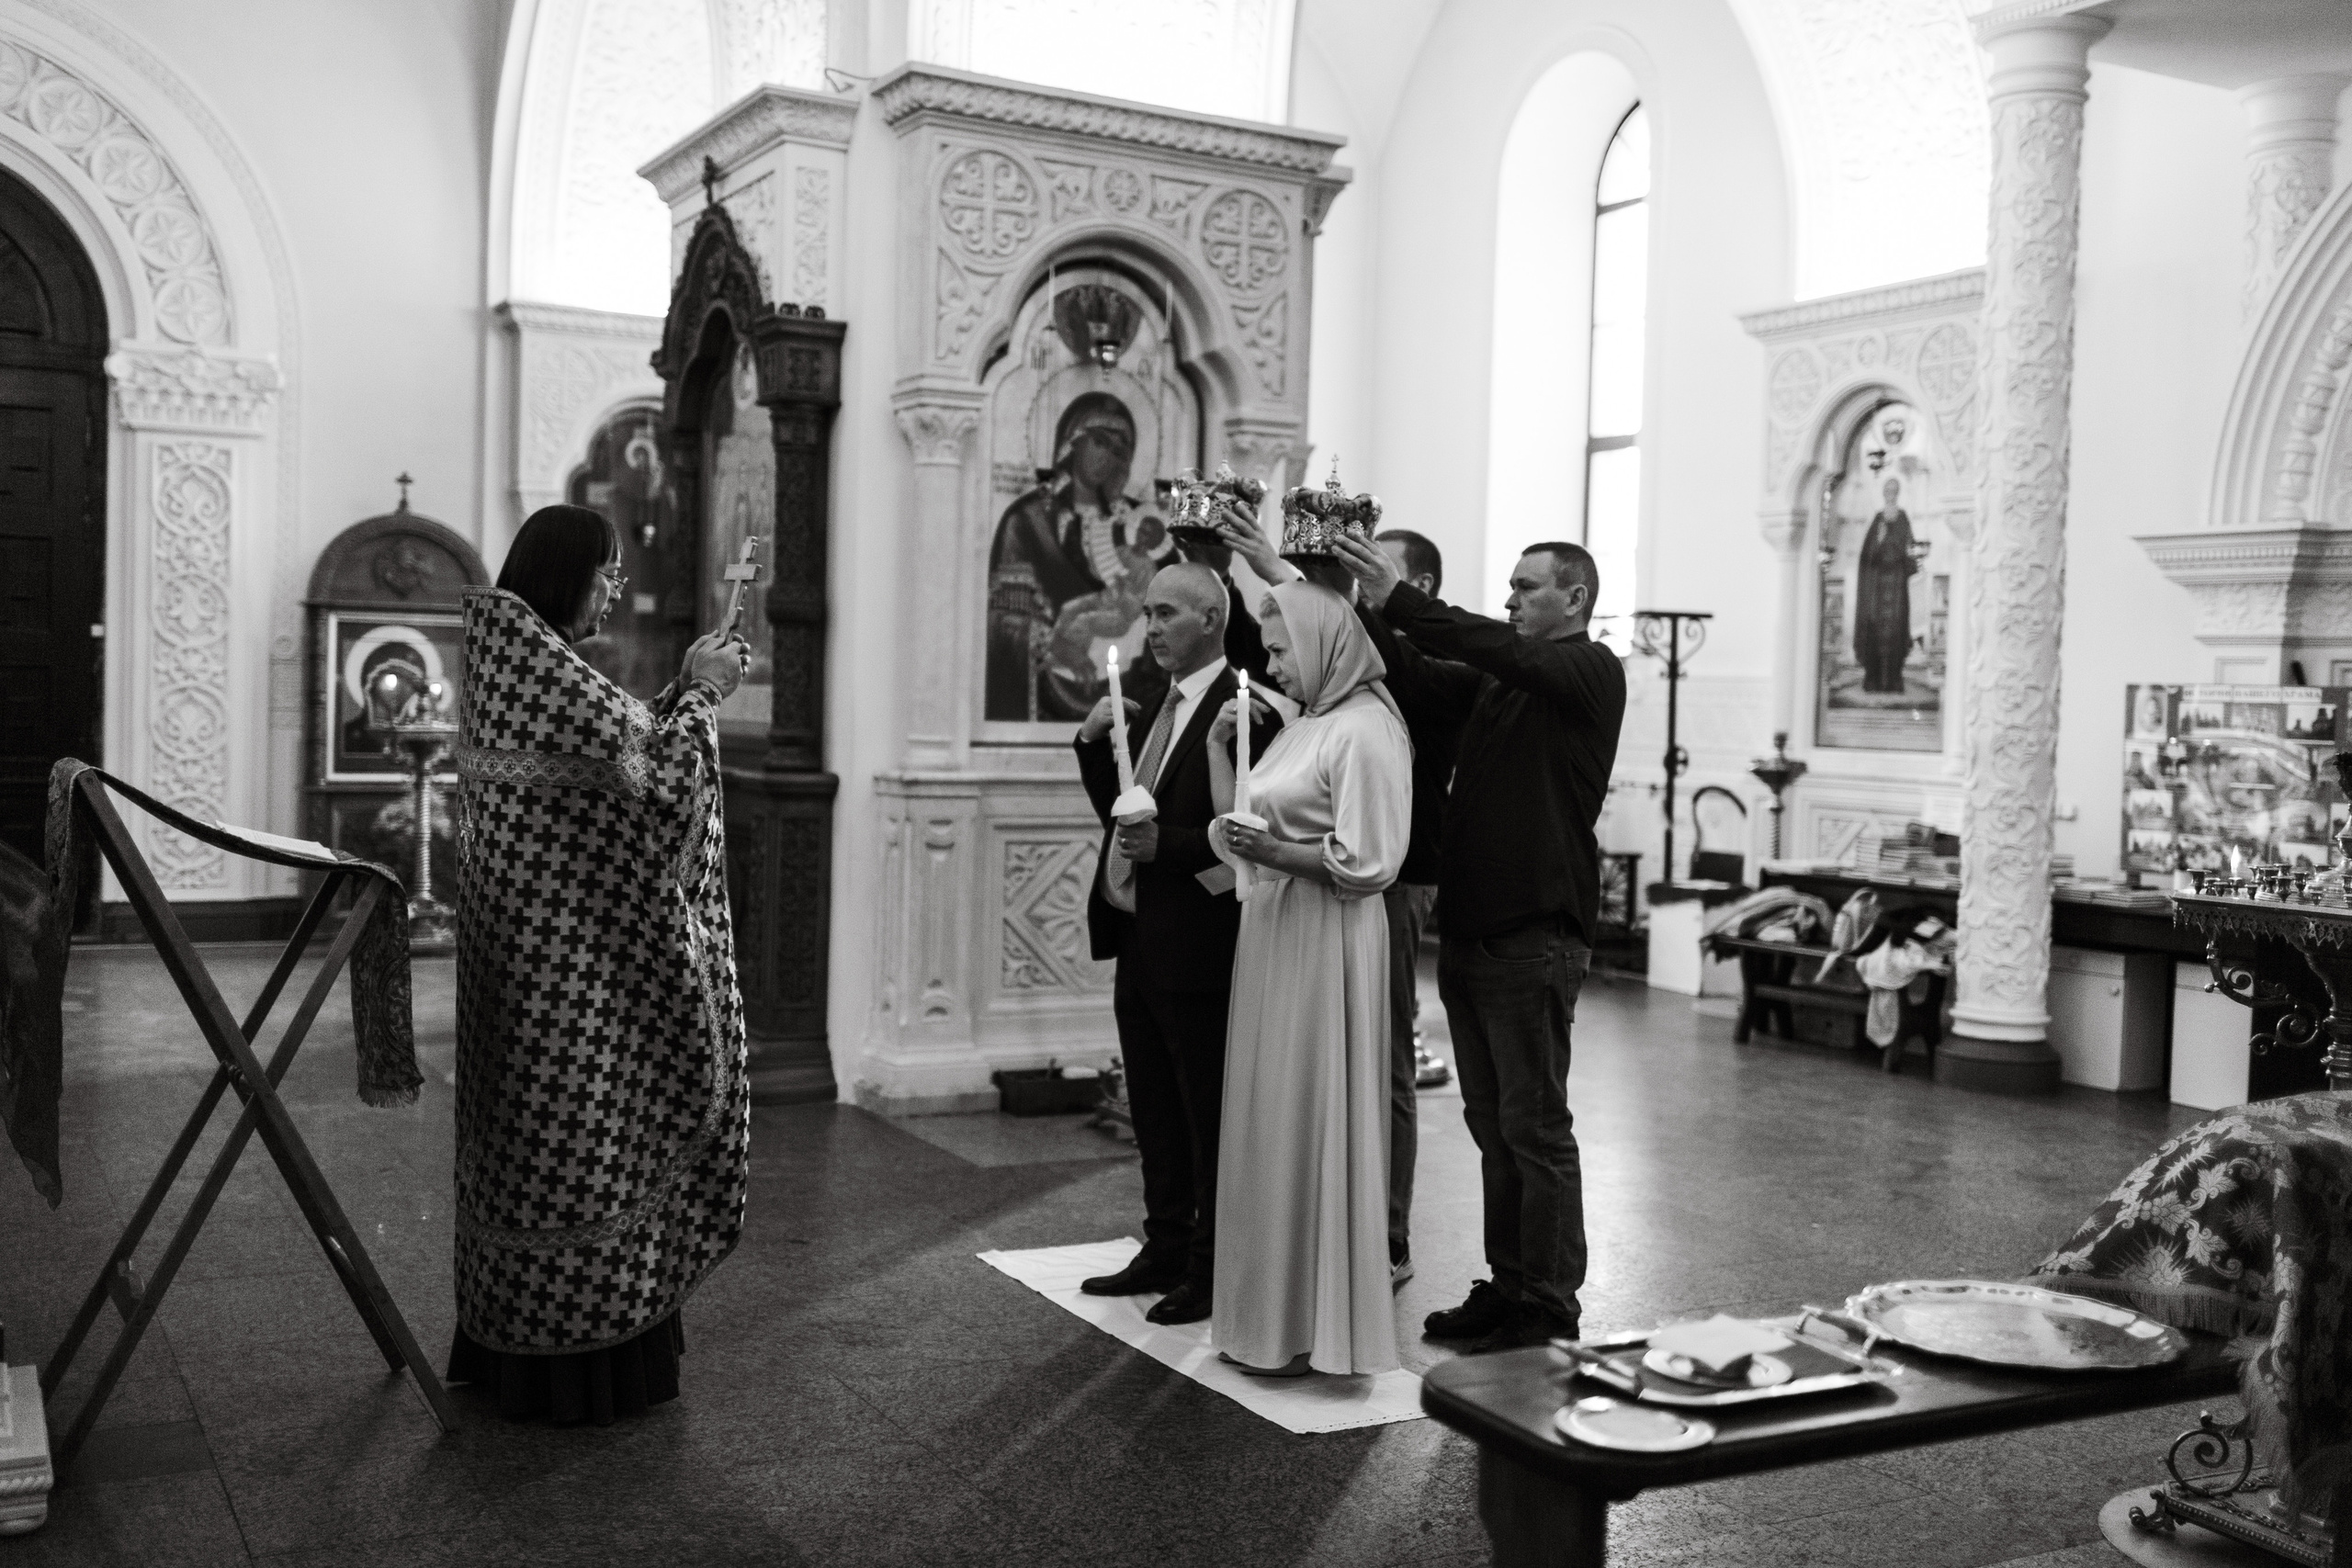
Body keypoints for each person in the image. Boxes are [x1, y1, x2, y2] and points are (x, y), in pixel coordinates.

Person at [448, 503, 752, 1424]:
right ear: (564, 572)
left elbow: (617, 747)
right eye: (606, 574)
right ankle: (589, 1367)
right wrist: (700, 693)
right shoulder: (541, 669)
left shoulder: (510, 662)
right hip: (571, 987)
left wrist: (678, 695)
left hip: (525, 975)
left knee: (531, 1156)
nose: (612, 592)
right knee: (583, 1154)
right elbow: (662, 788)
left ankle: (515, 1348)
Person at [1334, 532, 1626, 1353]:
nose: (1510, 599)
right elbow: (1422, 676)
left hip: (1534, 936)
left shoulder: (1589, 671)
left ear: (1574, 599)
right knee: (1492, 1126)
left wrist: (1402, 597)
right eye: (1508, 585)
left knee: (1534, 1129)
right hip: (1471, 935)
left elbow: (1492, 645)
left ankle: (1550, 1302)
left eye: (1526, 587)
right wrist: (1351, 599)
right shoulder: (1502, 679)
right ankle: (1508, 1285)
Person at [1211, 507, 1462, 1289]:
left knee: (1377, 1053)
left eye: (1362, 565)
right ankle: (1305, 1217)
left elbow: (1348, 639)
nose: (1343, 584)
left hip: (1393, 872)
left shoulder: (1412, 664)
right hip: (1315, 881)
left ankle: (1380, 1231)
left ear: (1414, 583)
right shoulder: (1330, 686)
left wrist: (1275, 571)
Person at [1205, 580, 1412, 1376]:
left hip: (1327, 937)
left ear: (1327, 643)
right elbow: (1243, 825)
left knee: (1309, 1108)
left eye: (1284, 649)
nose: (1273, 664)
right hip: (1275, 928)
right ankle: (1265, 1312)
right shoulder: (1305, 725)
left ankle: (1317, 1322)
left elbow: (1370, 861)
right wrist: (1226, 753)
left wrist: (1271, 855)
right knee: (1268, 1113)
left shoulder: (1364, 730)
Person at [1072, 562, 1278, 1325]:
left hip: (1200, 940)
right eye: (1148, 614)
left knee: (1203, 1111)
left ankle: (1209, 1265)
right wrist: (1093, 746)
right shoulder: (1162, 700)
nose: (1150, 627)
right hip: (1141, 935)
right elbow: (1127, 819)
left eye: (1165, 613)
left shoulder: (1242, 707)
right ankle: (1163, 1243)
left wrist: (1175, 844)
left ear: (1211, 621)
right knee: (1152, 1104)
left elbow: (1249, 834)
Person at [1853, 477, 1917, 695]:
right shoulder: (1878, 519)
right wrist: (1879, 542)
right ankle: (1874, 681)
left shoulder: (1903, 519)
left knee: (1896, 630)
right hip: (1878, 588)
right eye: (1887, 490)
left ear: (1898, 492)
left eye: (1893, 490)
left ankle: (1893, 682)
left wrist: (1897, 547)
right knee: (1876, 631)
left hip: (1897, 586)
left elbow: (1910, 552)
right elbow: (1866, 556)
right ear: (1883, 493)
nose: (1890, 493)